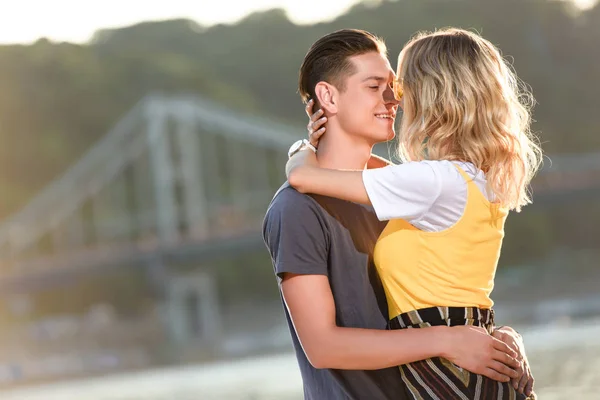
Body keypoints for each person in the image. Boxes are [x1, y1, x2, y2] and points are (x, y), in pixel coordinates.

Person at [263, 29, 532, 400]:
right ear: (327, 96)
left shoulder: (406, 190)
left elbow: (451, 290)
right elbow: (323, 347)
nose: (393, 98)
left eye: (396, 87)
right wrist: (448, 338)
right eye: (374, 87)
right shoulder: (297, 208)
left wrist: (499, 338)